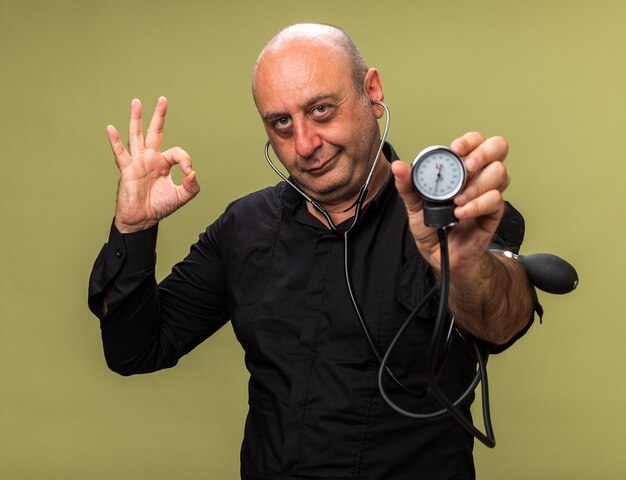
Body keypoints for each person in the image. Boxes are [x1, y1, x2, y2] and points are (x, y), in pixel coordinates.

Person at [89, 23, 537, 479]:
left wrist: (460, 267)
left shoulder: (454, 217)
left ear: (372, 92)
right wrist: (133, 227)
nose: (304, 144)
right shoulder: (243, 228)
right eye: (281, 123)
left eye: (321, 110)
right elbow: (134, 351)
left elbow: (501, 322)